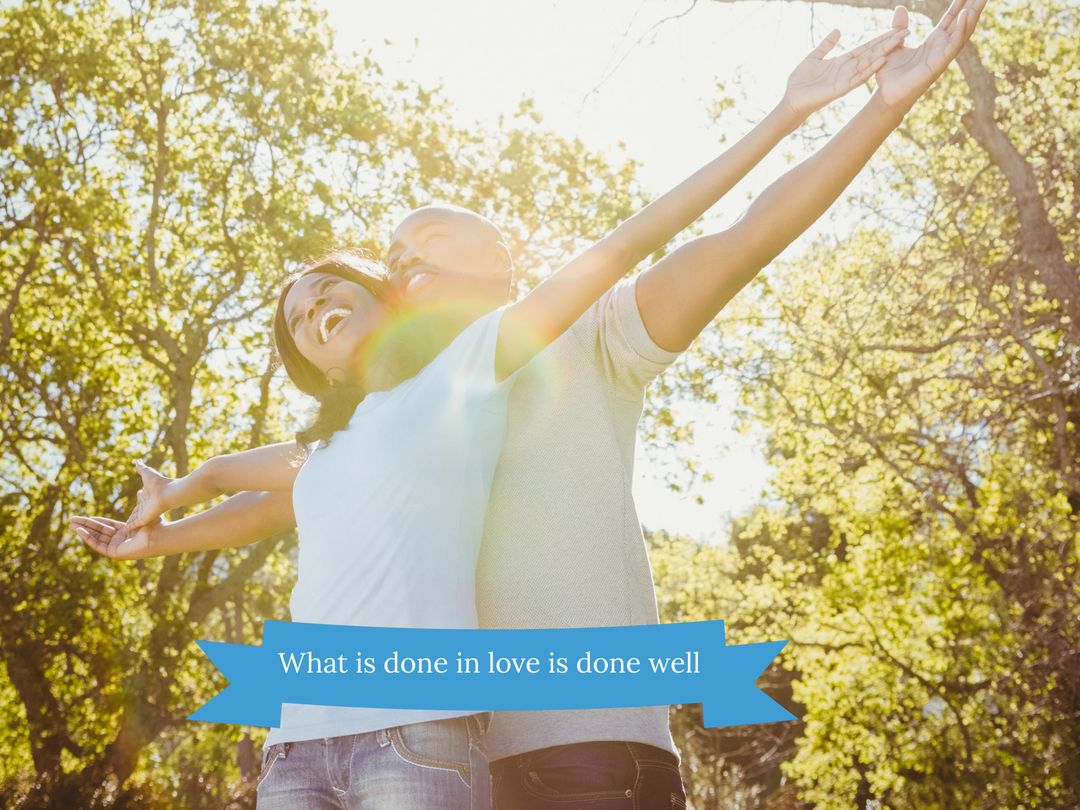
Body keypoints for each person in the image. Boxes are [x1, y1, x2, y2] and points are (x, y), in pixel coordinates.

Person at [72, 3, 986, 807]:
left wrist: (880, 106)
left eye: (420, 234)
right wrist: (163, 521)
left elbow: (746, 234)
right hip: (452, 757)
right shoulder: (395, 421)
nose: (403, 253)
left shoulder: (592, 332)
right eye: (391, 261)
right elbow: (283, 493)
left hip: (585, 756)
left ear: (503, 257)